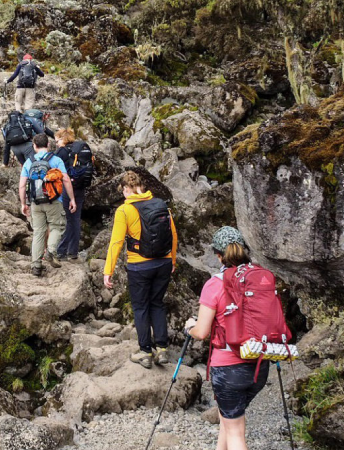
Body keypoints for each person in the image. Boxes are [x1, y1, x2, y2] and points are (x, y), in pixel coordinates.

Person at [184, 226, 268, 450]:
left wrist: (189, 328)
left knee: (235, 433)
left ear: (219, 255)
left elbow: (202, 332)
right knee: (229, 418)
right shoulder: (260, 280)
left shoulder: (215, 284)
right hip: (259, 366)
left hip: (229, 368)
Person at [103, 171, 178, 369]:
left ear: (127, 189)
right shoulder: (161, 204)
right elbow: (173, 235)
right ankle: (162, 349)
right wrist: (173, 260)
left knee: (141, 307)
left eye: (124, 191)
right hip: (163, 262)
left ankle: (145, 351)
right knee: (157, 303)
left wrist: (107, 270)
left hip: (139, 266)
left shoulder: (124, 211)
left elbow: (116, 242)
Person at [19, 134, 77, 277]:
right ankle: (51, 251)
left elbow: (22, 185)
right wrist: (72, 199)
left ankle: (36, 266)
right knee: (57, 227)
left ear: (34, 145)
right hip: (54, 201)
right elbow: (66, 180)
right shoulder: (56, 160)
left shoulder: (29, 162)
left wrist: (23, 204)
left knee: (38, 232)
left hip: (35, 203)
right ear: (48, 145)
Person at [54, 128, 91, 260]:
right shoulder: (78, 148)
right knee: (75, 219)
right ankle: (73, 252)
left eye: (57, 140)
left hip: (68, 187)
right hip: (80, 186)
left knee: (68, 219)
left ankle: (61, 250)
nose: (56, 143)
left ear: (63, 139)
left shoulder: (62, 151)